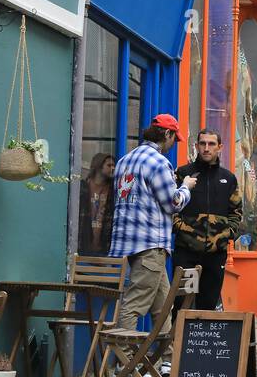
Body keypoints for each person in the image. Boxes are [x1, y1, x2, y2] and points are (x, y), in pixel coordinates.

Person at [108, 115, 195, 330]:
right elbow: (173, 203)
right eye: (174, 138)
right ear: (167, 134)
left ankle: (166, 359)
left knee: (162, 306)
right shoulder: (158, 163)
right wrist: (185, 187)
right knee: (133, 305)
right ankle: (125, 360)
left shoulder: (124, 160)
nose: (174, 144)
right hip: (151, 245)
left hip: (131, 244)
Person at [172, 129, 241, 312]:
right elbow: (171, 206)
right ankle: (178, 341)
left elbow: (236, 212)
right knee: (181, 304)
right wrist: (181, 228)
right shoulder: (183, 174)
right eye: (202, 143)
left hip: (215, 253)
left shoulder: (228, 178)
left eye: (211, 144)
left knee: (208, 305)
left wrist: (228, 234)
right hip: (186, 252)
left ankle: (201, 341)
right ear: (196, 146)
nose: (206, 148)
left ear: (220, 147)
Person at [78, 152, 115, 256]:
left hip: (105, 243)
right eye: (109, 165)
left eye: (113, 165)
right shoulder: (83, 187)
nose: (113, 168)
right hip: (84, 241)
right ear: (98, 166)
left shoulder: (113, 189)